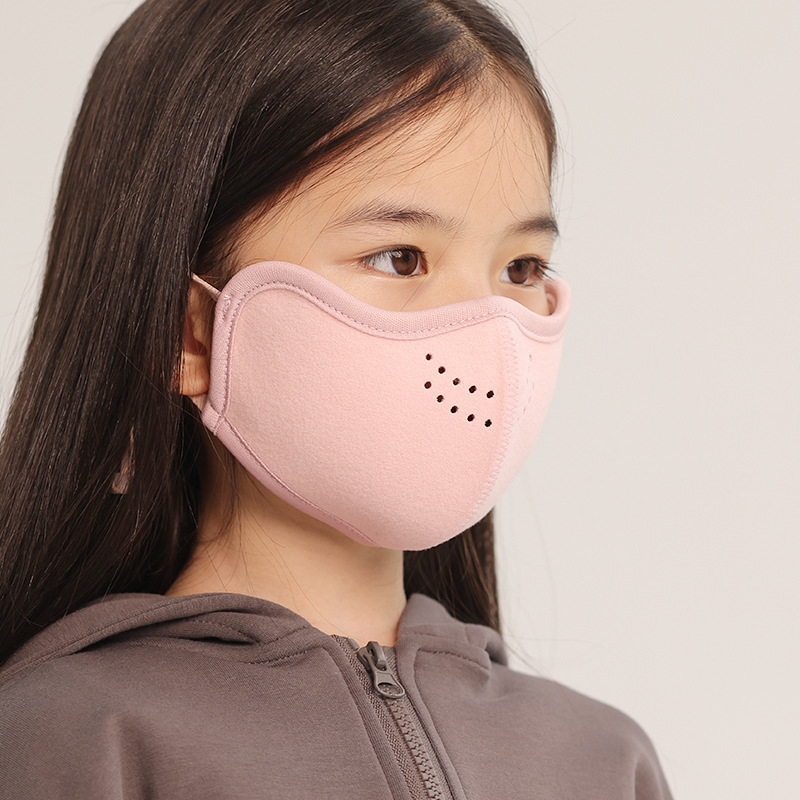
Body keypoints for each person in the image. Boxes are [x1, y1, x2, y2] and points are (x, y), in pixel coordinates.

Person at [0, 1, 673, 797]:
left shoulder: (603, 761)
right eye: (399, 257)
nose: (487, 329)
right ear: (190, 334)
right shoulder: (70, 738)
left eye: (521, 269)